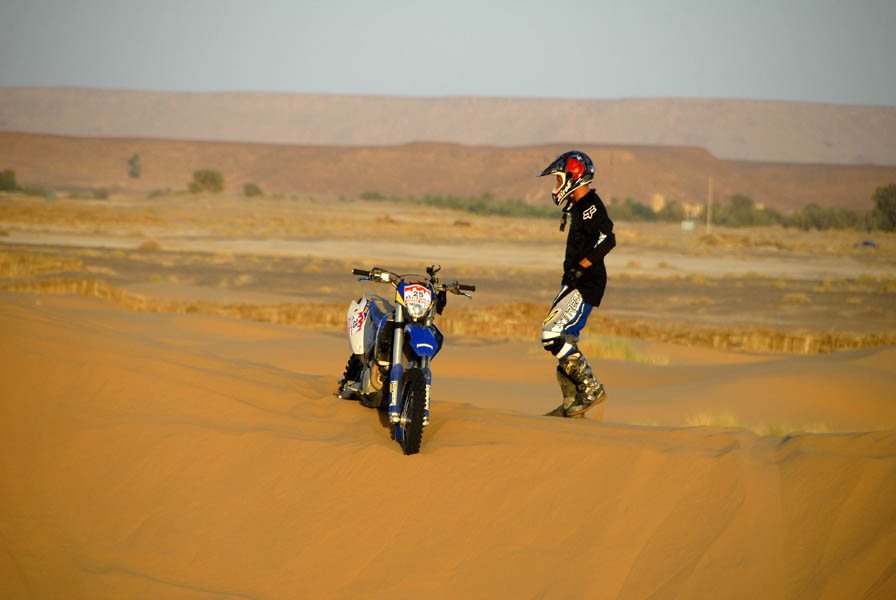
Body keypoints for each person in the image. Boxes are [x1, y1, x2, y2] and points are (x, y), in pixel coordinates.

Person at [537, 150, 615, 417]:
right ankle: (572, 403)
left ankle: (590, 389)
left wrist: (581, 267)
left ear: (573, 176)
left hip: (585, 281)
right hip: (574, 279)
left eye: (559, 179)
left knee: (552, 335)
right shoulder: (579, 206)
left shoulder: (590, 204)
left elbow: (607, 239)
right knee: (564, 338)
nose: (556, 186)